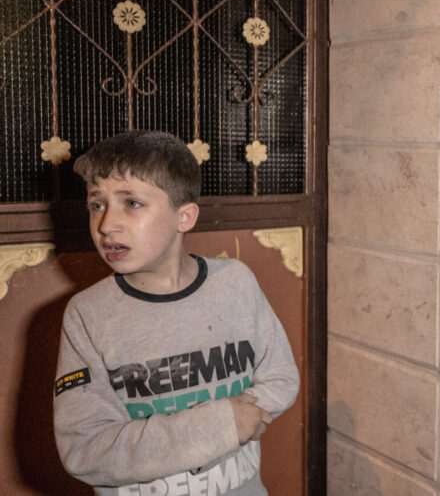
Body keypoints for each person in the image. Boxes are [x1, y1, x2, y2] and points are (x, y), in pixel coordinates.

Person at [53, 131, 299, 495]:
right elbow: (85, 449)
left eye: (132, 203)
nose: (106, 225)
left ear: (184, 217)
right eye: (96, 205)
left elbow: (280, 376)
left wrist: (246, 415)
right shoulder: (88, 315)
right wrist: (217, 426)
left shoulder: (236, 283)